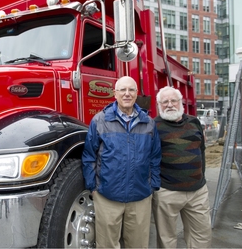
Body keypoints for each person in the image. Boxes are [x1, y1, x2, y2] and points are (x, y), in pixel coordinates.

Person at [82, 76, 161, 248]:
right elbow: (89, 156)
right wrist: (93, 188)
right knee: (107, 245)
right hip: (107, 197)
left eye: (131, 90)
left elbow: (155, 157)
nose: (127, 94)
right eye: (122, 90)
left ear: (136, 94)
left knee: (138, 245)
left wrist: (152, 186)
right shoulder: (100, 121)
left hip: (140, 196)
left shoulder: (148, 123)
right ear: (115, 94)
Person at [153, 86, 212, 248]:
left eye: (173, 100)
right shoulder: (153, 127)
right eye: (165, 102)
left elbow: (201, 151)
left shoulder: (194, 122)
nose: (170, 104)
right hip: (167, 193)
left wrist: (201, 178)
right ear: (159, 105)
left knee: (202, 236)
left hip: (198, 192)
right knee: (167, 240)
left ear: (181, 103)